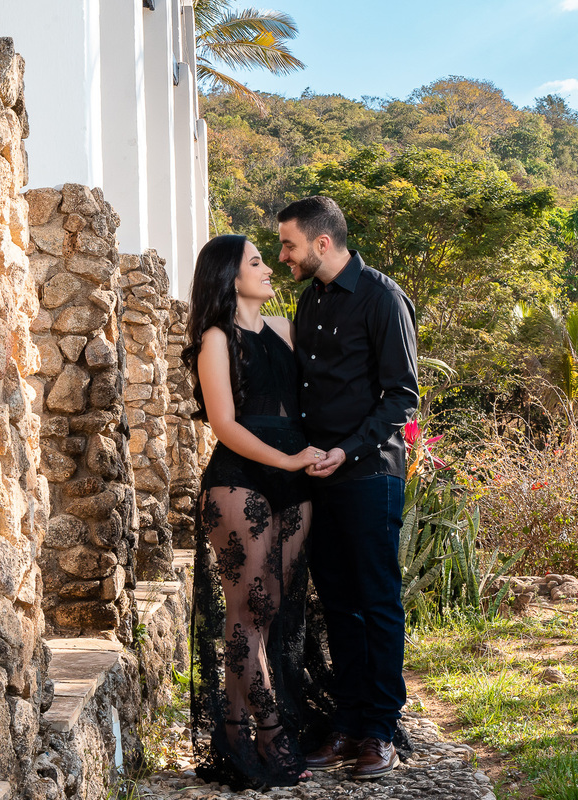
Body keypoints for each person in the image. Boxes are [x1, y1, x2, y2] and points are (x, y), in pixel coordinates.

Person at [278, 196, 420, 780]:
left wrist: (347, 450)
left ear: (321, 243)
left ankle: (381, 730)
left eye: (288, 245)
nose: (283, 255)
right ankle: (348, 722)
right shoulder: (309, 301)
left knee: (376, 601)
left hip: (369, 472)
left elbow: (402, 397)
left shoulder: (383, 298)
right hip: (319, 476)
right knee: (336, 602)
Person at [183, 234, 325, 788]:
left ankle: (234, 731)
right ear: (229, 276)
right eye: (257, 262)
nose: (270, 268)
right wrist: (288, 461)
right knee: (251, 604)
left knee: (270, 612)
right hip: (240, 477)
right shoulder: (215, 338)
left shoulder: (286, 330)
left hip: (295, 476)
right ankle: (270, 734)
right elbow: (225, 425)